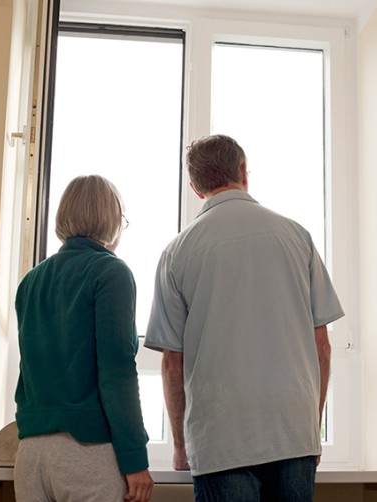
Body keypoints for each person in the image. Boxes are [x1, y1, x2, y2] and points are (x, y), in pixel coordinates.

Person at [145, 135, 344, 501]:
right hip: (292, 431)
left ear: (195, 187)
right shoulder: (297, 237)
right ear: (243, 171)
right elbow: (322, 347)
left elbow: (173, 362)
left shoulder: (178, 252)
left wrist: (180, 445)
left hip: (220, 438)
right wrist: (310, 429)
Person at [14, 175, 154, 502]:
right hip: (86, 454)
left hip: (31, 455)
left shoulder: (31, 281)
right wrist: (135, 458)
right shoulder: (110, 272)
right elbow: (117, 371)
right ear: (113, 220)